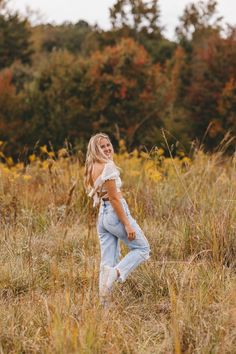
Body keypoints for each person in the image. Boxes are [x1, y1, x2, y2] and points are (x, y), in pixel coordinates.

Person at [84, 133, 150, 304]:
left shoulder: (92, 166)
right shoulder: (108, 166)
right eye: (102, 147)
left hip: (103, 216)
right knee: (143, 249)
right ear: (95, 149)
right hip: (114, 213)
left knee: (106, 262)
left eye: (108, 145)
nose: (107, 149)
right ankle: (117, 272)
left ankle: (103, 306)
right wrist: (127, 225)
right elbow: (114, 198)